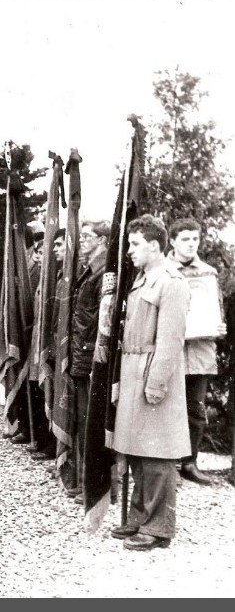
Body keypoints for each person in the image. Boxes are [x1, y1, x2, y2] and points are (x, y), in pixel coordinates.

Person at [110, 215, 191, 551]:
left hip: (155, 373)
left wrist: (156, 384)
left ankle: (158, 527)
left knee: (158, 452)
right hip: (134, 370)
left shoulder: (172, 283)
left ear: (155, 246)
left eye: (135, 244)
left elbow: (170, 341)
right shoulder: (144, 279)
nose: (129, 250)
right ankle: (140, 516)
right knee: (139, 449)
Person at [166, 218, 227, 485]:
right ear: (172, 242)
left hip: (200, 352)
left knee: (196, 410)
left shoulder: (209, 274)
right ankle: (168, 466)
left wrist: (219, 326)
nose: (191, 244)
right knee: (168, 409)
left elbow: (216, 310)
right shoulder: (163, 271)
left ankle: (189, 463)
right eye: (185, 239)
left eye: (195, 239)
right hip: (172, 352)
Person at [68, 220, 109, 502]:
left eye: (87, 236)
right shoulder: (89, 272)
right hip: (82, 355)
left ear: (103, 241)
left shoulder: (104, 275)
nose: (82, 241)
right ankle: (85, 480)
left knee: (92, 424)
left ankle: (95, 485)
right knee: (83, 421)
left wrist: (89, 352)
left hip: (93, 357)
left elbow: (101, 323)